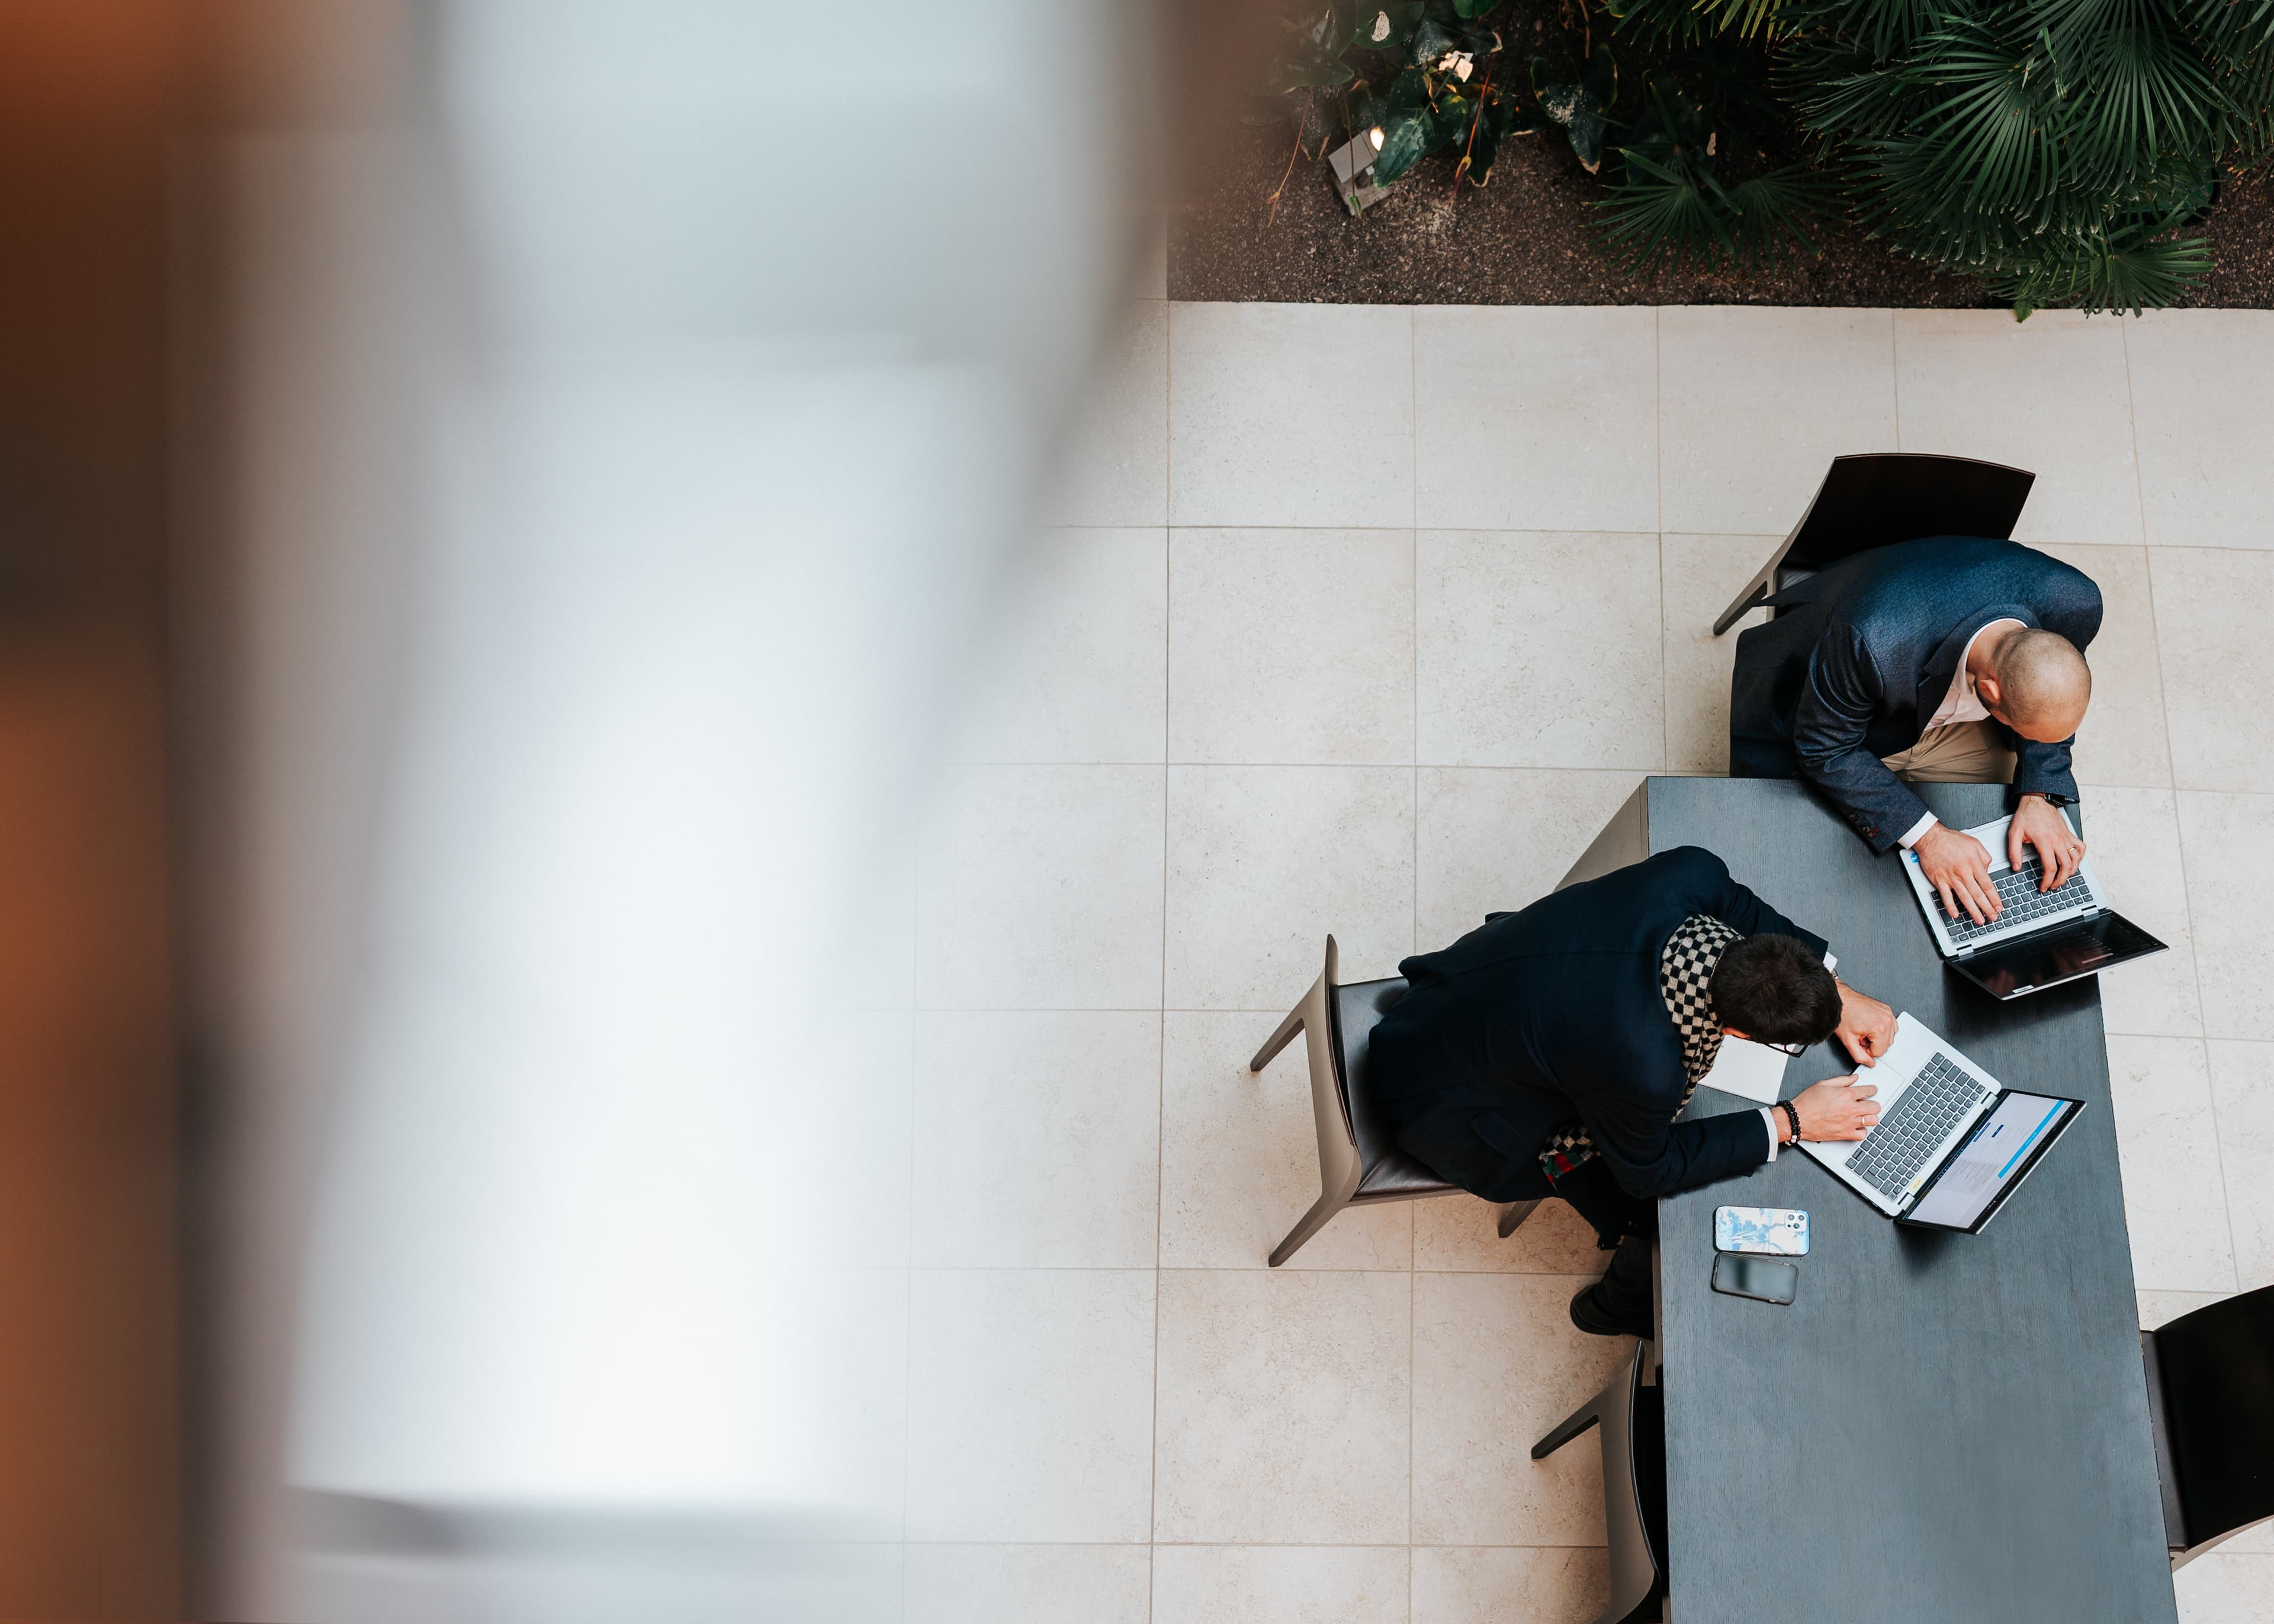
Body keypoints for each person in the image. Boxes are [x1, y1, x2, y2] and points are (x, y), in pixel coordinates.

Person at [1367, 845, 1895, 1340]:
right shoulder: (1644, 1065)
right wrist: (1790, 1122)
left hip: (1464, 991)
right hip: (1439, 1099)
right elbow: (1648, 1171)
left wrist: (1835, 995)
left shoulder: (1691, 873)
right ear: (1740, 1033)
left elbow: (1741, 906)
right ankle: (1613, 1307)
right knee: (1662, 1216)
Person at [1727, 535, 2102, 927]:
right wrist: (1931, 838)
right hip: (1849, 722)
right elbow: (1825, 748)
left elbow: (2046, 687)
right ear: (1991, 689)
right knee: (1827, 875)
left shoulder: (2075, 601)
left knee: (1988, 844)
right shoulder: (1874, 641)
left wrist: (2039, 794)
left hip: (1940, 714)